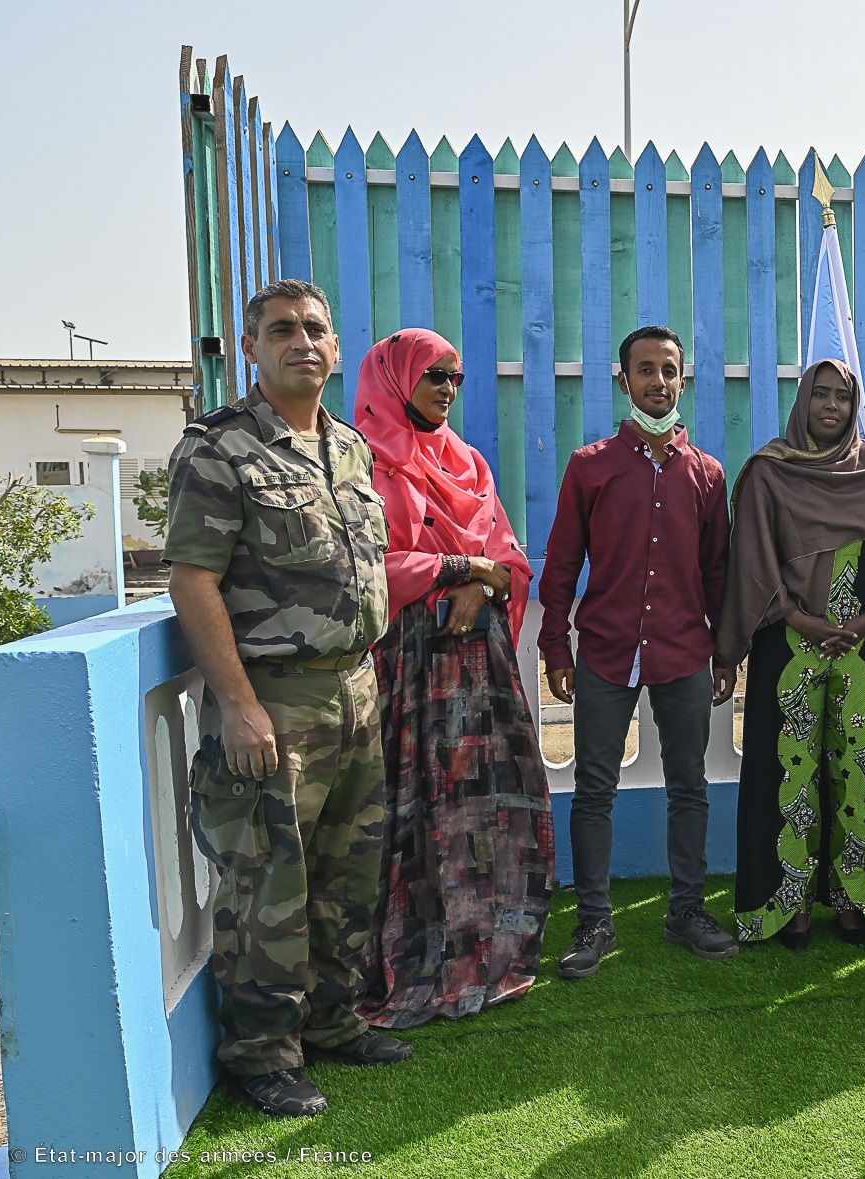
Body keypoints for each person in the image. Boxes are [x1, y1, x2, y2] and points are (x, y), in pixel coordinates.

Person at [164, 278, 411, 1119]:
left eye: (315, 328)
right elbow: (192, 578)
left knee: (351, 870)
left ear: (336, 348)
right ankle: (262, 1050)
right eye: (281, 330)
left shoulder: (351, 448)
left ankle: (332, 1021)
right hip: (274, 699)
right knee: (269, 884)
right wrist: (236, 703)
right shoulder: (219, 449)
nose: (301, 341)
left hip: (356, 691)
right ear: (253, 349)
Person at [350, 328, 554, 1027]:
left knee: (482, 809)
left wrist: (487, 587)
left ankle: (481, 953)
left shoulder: (468, 461)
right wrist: (461, 571)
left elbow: (510, 557)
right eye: (433, 374)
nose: (445, 387)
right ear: (395, 376)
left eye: (456, 377)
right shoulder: (362, 461)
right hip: (408, 663)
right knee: (408, 810)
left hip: (475, 665)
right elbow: (367, 563)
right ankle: (410, 960)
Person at [538, 325, 739, 976]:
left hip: (684, 651)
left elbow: (718, 571)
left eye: (669, 370)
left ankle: (686, 910)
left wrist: (727, 652)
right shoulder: (591, 466)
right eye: (645, 369)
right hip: (605, 649)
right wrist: (554, 647)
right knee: (595, 787)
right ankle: (595, 923)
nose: (658, 381)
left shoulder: (707, 474)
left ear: (685, 380)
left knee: (690, 784)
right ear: (622, 380)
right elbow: (563, 565)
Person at [718, 359, 865, 950]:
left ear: (855, 407)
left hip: (861, 643)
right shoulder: (769, 472)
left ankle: (855, 899)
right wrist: (799, 618)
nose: (831, 406)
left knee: (858, 769)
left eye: (843, 398)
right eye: (820, 395)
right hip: (789, 644)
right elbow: (752, 558)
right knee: (788, 773)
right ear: (803, 402)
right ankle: (787, 905)